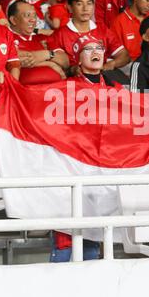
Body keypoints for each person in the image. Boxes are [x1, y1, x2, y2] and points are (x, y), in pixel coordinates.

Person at [50, 35, 110, 263]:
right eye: (88, 49)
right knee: (67, 235)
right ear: (78, 58)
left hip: (102, 170)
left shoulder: (115, 88)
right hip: (72, 166)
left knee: (94, 236)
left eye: (99, 47)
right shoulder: (65, 89)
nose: (96, 52)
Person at [48, 0, 130, 74]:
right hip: (75, 82)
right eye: (79, 4)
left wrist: (111, 64)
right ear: (70, 7)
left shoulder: (103, 30)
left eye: (89, 3)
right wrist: (73, 70)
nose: (85, 8)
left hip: (102, 78)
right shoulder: (59, 35)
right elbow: (59, 66)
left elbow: (124, 55)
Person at [8, 0, 68, 85]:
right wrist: (49, 63)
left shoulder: (43, 37)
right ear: (13, 20)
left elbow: (65, 62)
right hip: (24, 92)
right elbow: (8, 60)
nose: (33, 20)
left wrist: (47, 54)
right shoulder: (6, 37)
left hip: (55, 91)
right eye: (27, 15)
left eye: (34, 16)